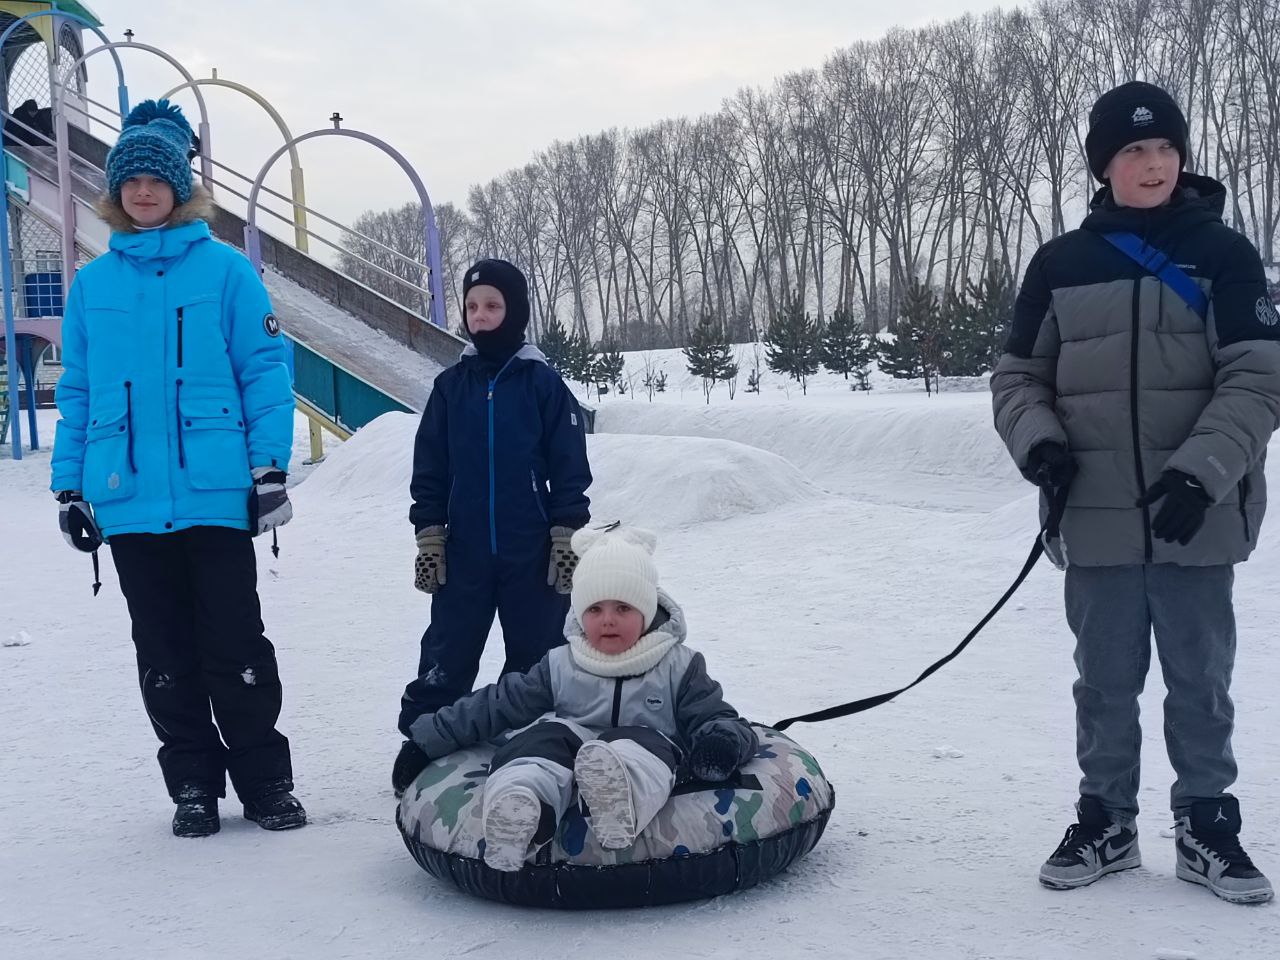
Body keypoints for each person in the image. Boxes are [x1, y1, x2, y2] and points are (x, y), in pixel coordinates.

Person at [991, 81, 1279, 903]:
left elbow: (1259, 376)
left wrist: (1202, 470)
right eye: (1134, 150)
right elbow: (1017, 377)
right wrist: (1039, 444)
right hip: (1093, 516)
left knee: (1200, 680)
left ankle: (1206, 824)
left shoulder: (1225, 255)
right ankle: (1107, 822)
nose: (1154, 164)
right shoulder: (1060, 264)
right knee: (1104, 683)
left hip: (1197, 510)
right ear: (1104, 165)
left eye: (1165, 149)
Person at [51, 100, 305, 838]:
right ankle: (192, 783)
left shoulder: (226, 271)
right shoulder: (94, 286)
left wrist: (268, 470)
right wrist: (71, 485)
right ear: (115, 192)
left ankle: (266, 782)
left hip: (215, 492)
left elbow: (264, 370)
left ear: (179, 188)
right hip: (127, 496)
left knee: (236, 644)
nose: (143, 192)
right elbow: (78, 391)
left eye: (155, 181)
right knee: (162, 650)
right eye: (130, 181)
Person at [400, 525, 758, 872]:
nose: (608, 620)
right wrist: (429, 740)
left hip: (644, 747)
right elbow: (498, 704)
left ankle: (619, 800)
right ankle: (520, 806)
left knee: (641, 746)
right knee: (540, 739)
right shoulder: (561, 664)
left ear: (647, 611)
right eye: (595, 609)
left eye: (623, 608)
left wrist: (720, 743)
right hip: (570, 747)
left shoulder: (678, 666)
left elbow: (715, 716)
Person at [393, 258, 592, 789]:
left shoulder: (543, 385)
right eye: (472, 306)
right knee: (448, 649)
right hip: (465, 549)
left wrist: (566, 534)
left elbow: (569, 465)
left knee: (537, 654)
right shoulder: (450, 387)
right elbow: (430, 468)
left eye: (492, 306)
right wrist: (430, 535)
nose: (480, 316)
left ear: (515, 311)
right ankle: (426, 739)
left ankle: (532, 742)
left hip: (532, 549)